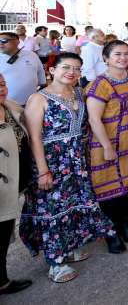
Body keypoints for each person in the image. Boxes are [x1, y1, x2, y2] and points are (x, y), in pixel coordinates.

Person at [20, 53, 114, 282]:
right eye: (65, 67)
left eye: (76, 68)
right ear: (52, 70)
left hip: (76, 161)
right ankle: (55, 262)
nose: (71, 72)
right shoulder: (39, 98)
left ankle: (69, 247)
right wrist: (43, 171)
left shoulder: (79, 93)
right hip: (51, 162)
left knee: (74, 205)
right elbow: (34, 138)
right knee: (52, 210)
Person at [85, 40, 128, 251]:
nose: (123, 58)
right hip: (106, 144)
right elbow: (94, 120)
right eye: (117, 54)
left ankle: (124, 226)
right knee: (108, 191)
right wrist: (107, 147)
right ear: (105, 58)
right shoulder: (99, 84)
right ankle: (111, 234)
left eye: (126, 53)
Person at [0, 73, 32, 295]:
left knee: (2, 235)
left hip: (13, 182)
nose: (1, 88)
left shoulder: (10, 106)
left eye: (2, 83)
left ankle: (1, 280)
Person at [0, 32, 46, 106]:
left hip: (31, 103)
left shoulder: (31, 55)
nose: (1, 44)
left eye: (3, 40)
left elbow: (41, 76)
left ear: (17, 41)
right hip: (6, 105)